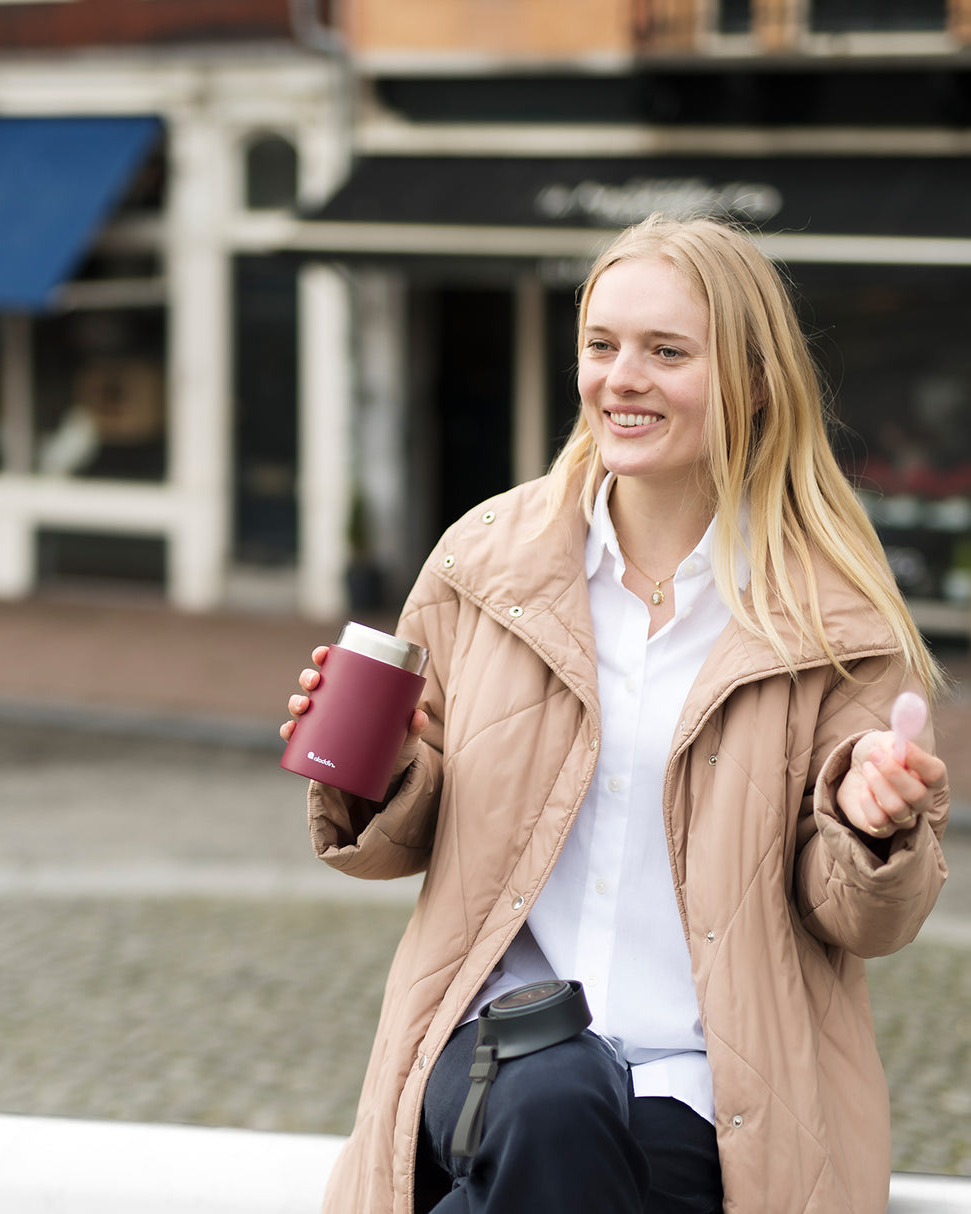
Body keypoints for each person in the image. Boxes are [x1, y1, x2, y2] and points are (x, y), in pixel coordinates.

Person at [282, 214, 949, 1214]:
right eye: (600, 345)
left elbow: (854, 916)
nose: (619, 378)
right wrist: (375, 770)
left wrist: (868, 822)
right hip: (488, 1063)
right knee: (552, 1096)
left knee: (565, 1141)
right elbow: (397, 844)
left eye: (665, 352)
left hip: (702, 1100)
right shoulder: (485, 564)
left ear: (754, 381)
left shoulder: (832, 618)